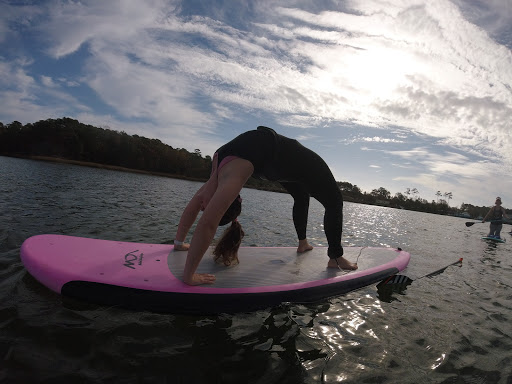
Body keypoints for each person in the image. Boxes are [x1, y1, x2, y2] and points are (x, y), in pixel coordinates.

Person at [173, 126, 357, 286]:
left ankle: (306, 245)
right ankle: (334, 257)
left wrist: (184, 257)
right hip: (285, 161)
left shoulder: (223, 177)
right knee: (333, 201)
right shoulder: (222, 166)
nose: (206, 205)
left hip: (280, 164)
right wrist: (185, 265)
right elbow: (204, 218)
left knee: (304, 196)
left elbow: (206, 220)